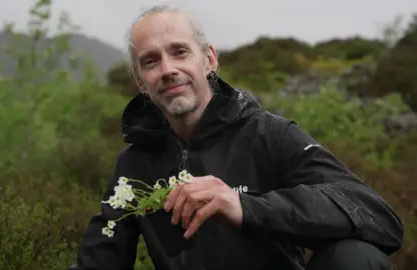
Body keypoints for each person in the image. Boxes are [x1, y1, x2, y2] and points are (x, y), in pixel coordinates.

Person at [73, 4, 404, 270]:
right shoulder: (135, 164)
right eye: (151, 61)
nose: (168, 69)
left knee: (354, 259)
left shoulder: (267, 134)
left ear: (209, 60)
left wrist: (244, 205)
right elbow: (100, 259)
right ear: (141, 81)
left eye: (180, 52)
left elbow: (379, 218)